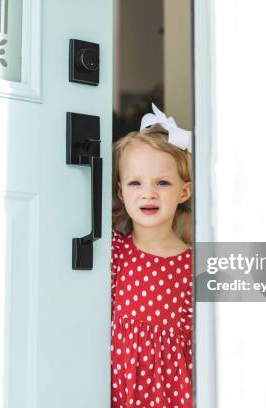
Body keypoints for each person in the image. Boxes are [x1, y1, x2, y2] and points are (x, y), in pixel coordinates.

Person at [111, 104, 193, 408]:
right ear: (121, 192)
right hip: (117, 392)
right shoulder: (114, 253)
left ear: (184, 192)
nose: (149, 193)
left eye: (162, 182)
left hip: (172, 396)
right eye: (136, 183)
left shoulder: (193, 266)